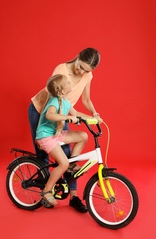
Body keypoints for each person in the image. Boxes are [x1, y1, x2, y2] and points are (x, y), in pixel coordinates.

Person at [28, 47, 102, 212]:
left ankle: (73, 196)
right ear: (78, 57)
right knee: (43, 156)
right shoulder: (61, 70)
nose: (81, 72)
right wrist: (47, 132)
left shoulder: (86, 75)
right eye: (81, 67)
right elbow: (50, 106)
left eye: (86, 70)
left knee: (69, 157)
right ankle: (46, 192)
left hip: (63, 112)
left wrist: (94, 115)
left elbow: (86, 100)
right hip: (44, 112)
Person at [36, 74, 90, 206]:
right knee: (63, 164)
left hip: (55, 134)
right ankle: (47, 191)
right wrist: (67, 118)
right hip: (45, 136)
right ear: (62, 89)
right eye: (67, 82)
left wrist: (92, 119)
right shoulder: (54, 101)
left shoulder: (65, 102)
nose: (70, 83)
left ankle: (72, 165)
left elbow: (76, 113)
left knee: (83, 136)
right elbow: (50, 115)